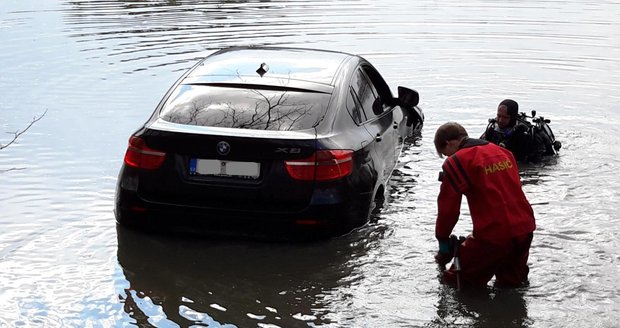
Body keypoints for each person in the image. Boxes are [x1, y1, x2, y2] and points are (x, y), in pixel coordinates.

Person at [433, 122, 536, 288]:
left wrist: (442, 240)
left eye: (446, 154)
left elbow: (448, 211)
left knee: (454, 282)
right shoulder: (503, 152)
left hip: (493, 236)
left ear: (449, 143)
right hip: (524, 229)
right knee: (512, 285)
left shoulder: (455, 162)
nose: (447, 158)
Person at [481, 99, 546, 163]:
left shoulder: (527, 135)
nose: (500, 120)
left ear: (513, 118)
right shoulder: (491, 130)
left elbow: (538, 163)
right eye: (499, 116)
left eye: (505, 117)